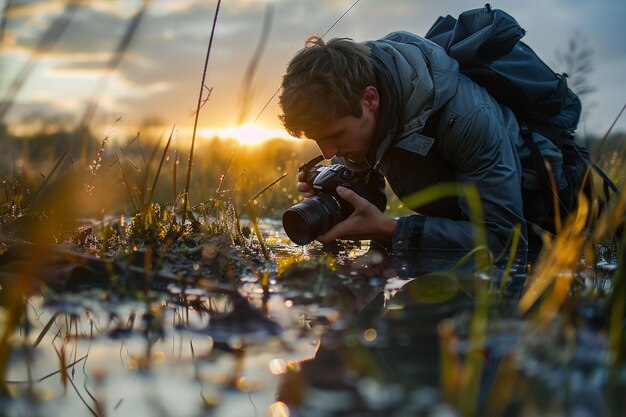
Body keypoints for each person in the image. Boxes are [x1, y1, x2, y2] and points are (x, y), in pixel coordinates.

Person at [278, 32, 569, 254]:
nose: (328, 152)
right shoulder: (357, 117)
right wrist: (334, 201)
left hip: (553, 241)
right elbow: (367, 203)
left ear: (370, 99)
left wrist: (391, 230)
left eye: (334, 136)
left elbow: (503, 240)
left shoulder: (467, 118)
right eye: (317, 140)